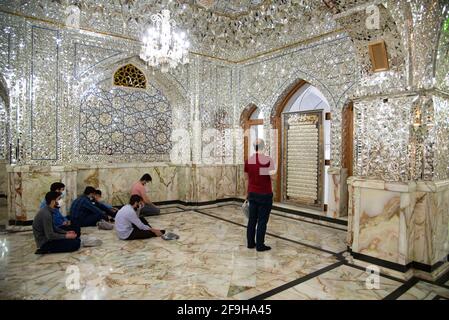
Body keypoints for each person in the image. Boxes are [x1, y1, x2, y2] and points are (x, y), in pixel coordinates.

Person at [244, 138, 276, 252]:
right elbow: (273, 177)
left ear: (254, 147)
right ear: (264, 147)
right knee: (262, 220)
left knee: (252, 220)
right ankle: (260, 245)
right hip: (264, 194)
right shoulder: (268, 160)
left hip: (252, 193)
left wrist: (246, 193)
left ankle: (250, 243)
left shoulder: (249, 160)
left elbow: (247, 178)